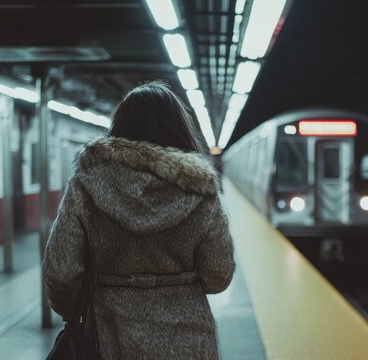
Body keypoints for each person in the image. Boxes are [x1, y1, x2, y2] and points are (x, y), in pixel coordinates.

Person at [42, 81, 235, 359]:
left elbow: (61, 272)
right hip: (188, 341)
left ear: (119, 128)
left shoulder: (86, 183)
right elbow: (218, 275)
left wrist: (78, 310)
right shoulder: (200, 189)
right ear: (179, 129)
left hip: (107, 338)